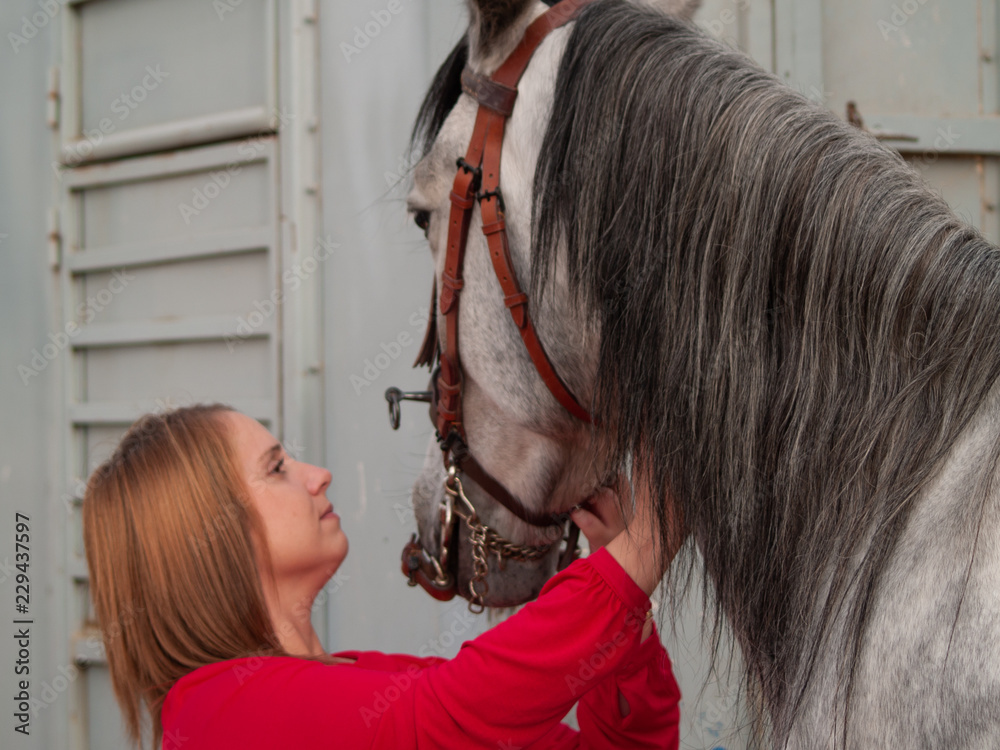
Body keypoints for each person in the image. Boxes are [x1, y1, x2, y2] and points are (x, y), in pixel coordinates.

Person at [82, 404, 682, 749]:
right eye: (277, 468)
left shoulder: (363, 677)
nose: (318, 475)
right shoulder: (217, 717)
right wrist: (636, 553)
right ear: (206, 534)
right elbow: (455, 716)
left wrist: (623, 599)